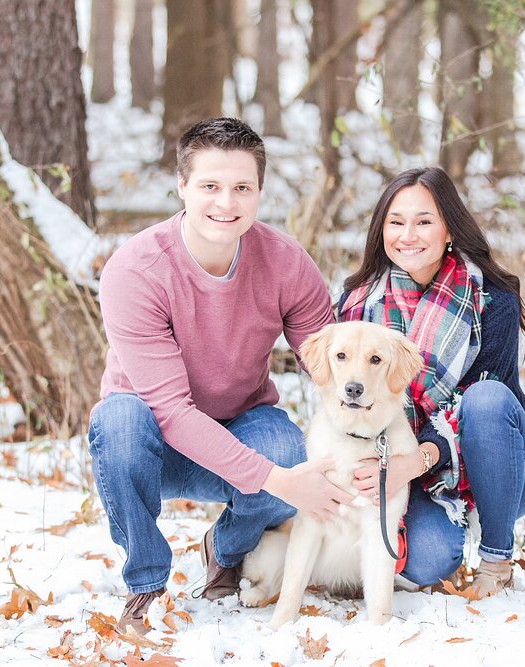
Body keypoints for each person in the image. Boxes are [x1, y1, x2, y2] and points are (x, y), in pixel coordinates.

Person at [89, 117, 353, 634]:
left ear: (259, 192)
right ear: (182, 186)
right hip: (150, 443)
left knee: (286, 447)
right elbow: (169, 412)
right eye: (209, 186)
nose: (225, 203)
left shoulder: (285, 263)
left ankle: (225, 550)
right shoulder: (135, 270)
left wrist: (368, 445)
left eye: (241, 188)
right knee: (117, 420)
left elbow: (329, 368)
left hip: (239, 427)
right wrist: (284, 486)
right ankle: (145, 584)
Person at [336, 167, 525, 598]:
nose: (408, 235)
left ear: (449, 230)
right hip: (415, 470)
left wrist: (417, 458)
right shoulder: (358, 304)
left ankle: (496, 559)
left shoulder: (490, 297)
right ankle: (426, 537)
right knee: (427, 561)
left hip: (503, 457)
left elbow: (489, 405)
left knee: (487, 400)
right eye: (396, 222)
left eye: (424, 221)